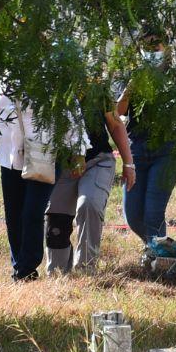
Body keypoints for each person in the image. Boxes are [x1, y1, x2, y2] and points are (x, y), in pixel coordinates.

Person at [0, 86, 75, 281]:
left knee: (32, 213)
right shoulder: (2, 80)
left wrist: (78, 150)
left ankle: (27, 269)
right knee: (13, 216)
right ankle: (19, 267)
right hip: (10, 158)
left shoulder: (53, 73)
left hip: (43, 156)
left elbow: (70, 112)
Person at [46, 89, 134, 274]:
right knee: (56, 221)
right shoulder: (47, 85)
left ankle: (86, 268)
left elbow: (116, 125)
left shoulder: (97, 87)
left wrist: (129, 163)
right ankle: (57, 272)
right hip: (61, 163)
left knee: (89, 204)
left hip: (98, 160)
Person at [119, 37, 176, 251]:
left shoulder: (175, 78)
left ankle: (159, 261)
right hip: (136, 149)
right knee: (133, 215)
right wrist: (132, 85)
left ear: (167, 49)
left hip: (166, 151)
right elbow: (118, 111)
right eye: (146, 47)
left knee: (153, 213)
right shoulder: (132, 75)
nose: (151, 53)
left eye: (155, 47)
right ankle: (160, 250)